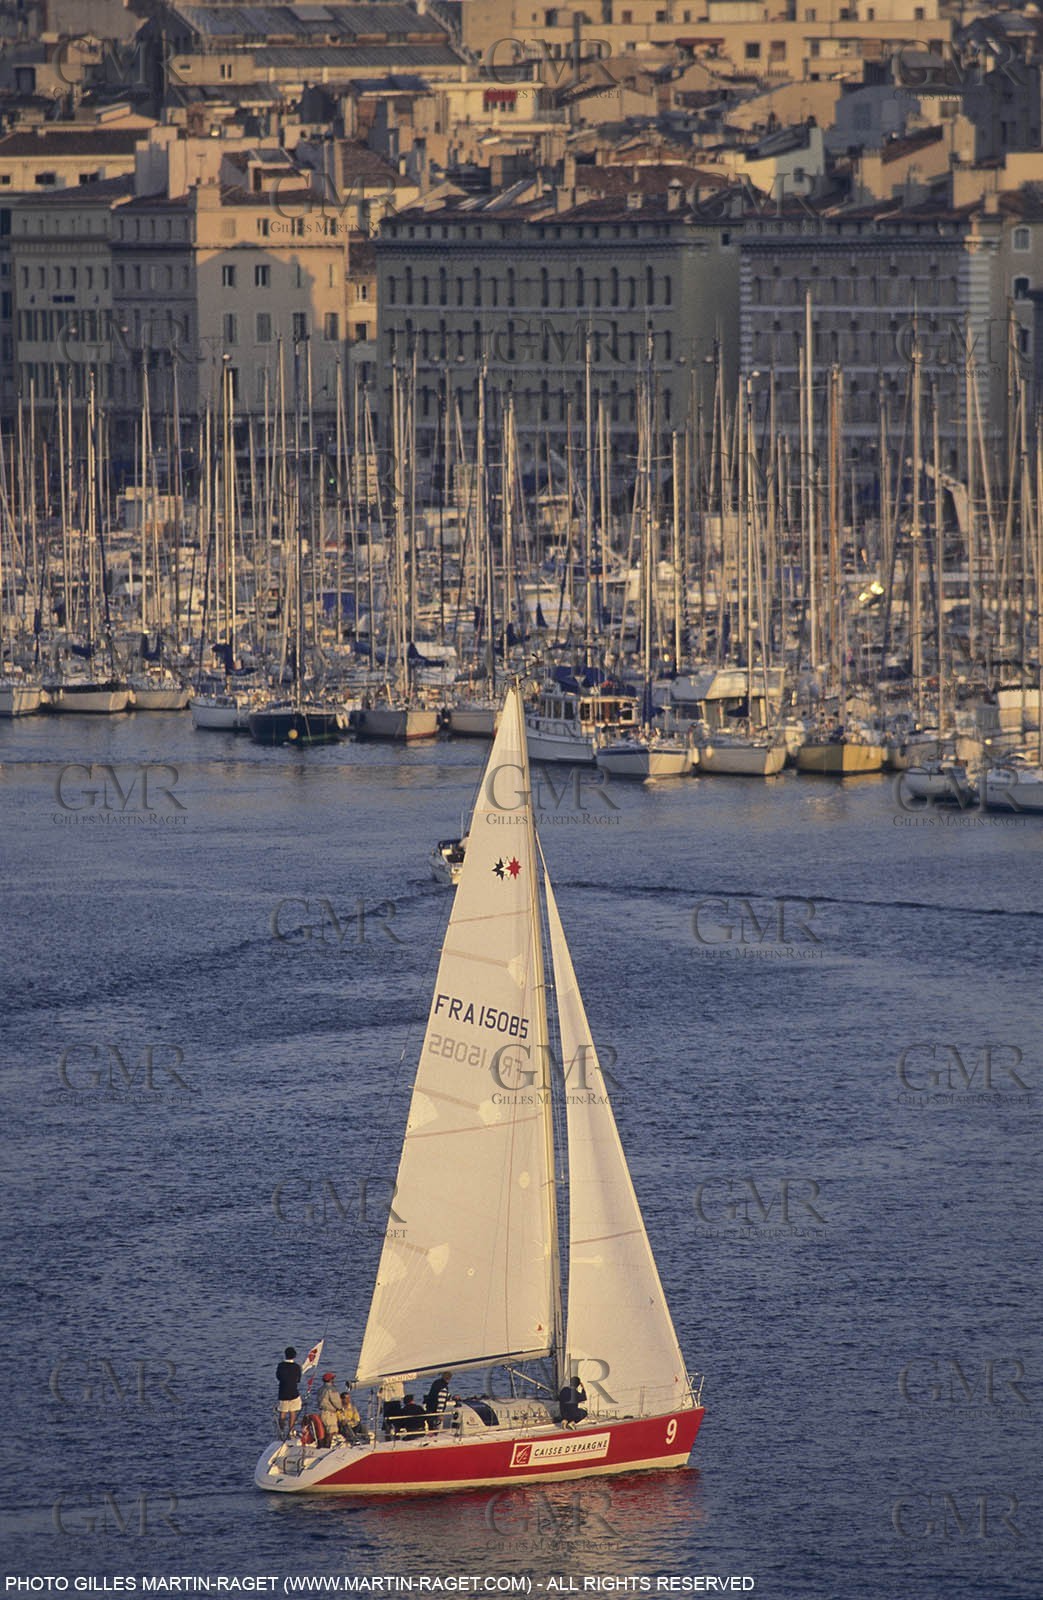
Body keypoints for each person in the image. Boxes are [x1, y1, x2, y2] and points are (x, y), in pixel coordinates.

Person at [276, 1346, 303, 1440]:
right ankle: (291, 1431)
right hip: (293, 1392)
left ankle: (281, 1431)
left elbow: (278, 1377)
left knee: (282, 1413)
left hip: (283, 1392)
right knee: (293, 1412)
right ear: (294, 1356)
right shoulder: (296, 1367)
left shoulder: (280, 1366)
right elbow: (298, 1380)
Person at [317, 1372, 347, 1446]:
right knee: (331, 1432)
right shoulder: (331, 1389)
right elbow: (336, 1401)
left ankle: (322, 1447)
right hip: (329, 1413)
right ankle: (327, 1448)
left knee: (325, 1431)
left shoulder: (321, 1389)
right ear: (331, 1380)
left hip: (322, 1412)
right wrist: (341, 1408)